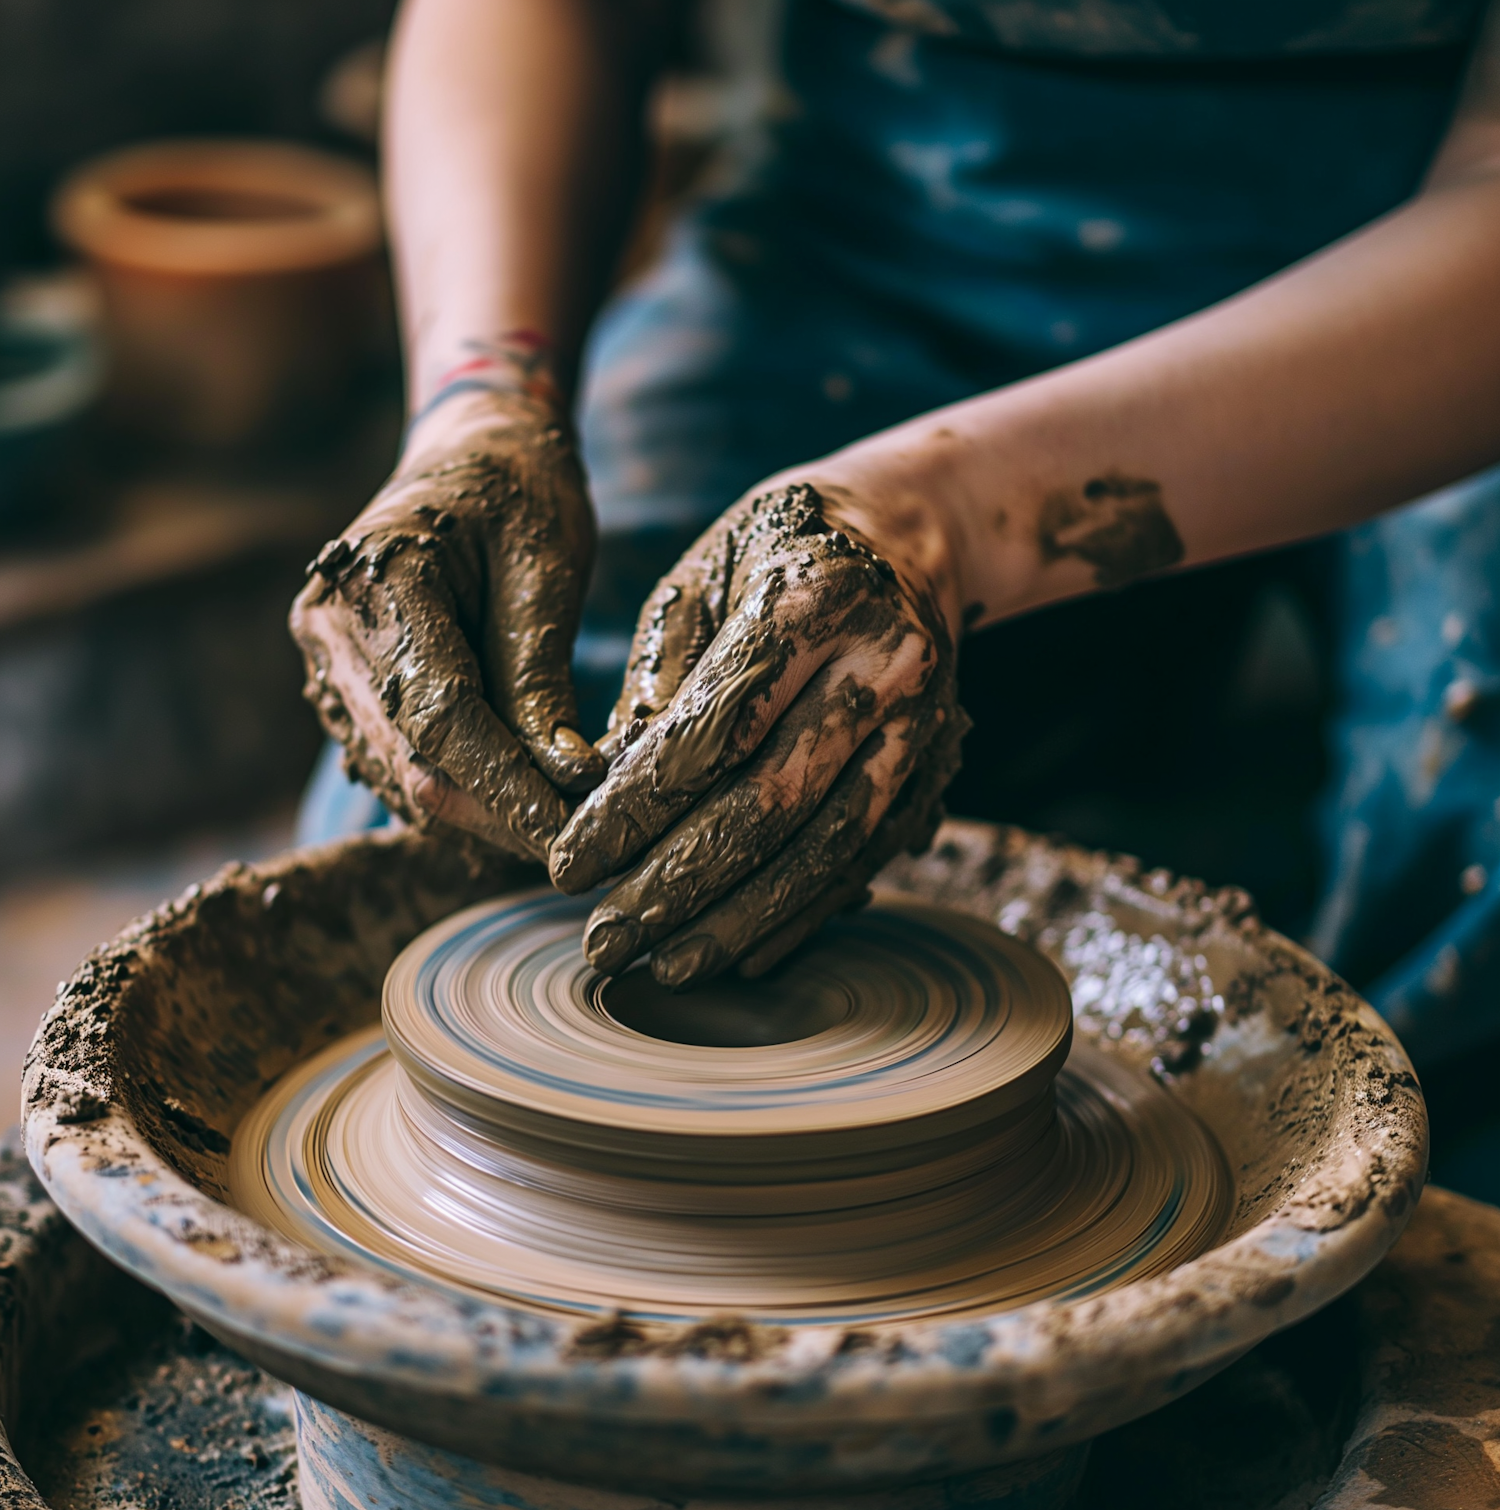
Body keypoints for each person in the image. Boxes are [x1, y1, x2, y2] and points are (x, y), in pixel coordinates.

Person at [291, 0, 1500, 1071]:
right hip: (880, 241)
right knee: (445, 825)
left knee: (1474, 900)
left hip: (1425, 304)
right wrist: (480, 398)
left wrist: (961, 515)